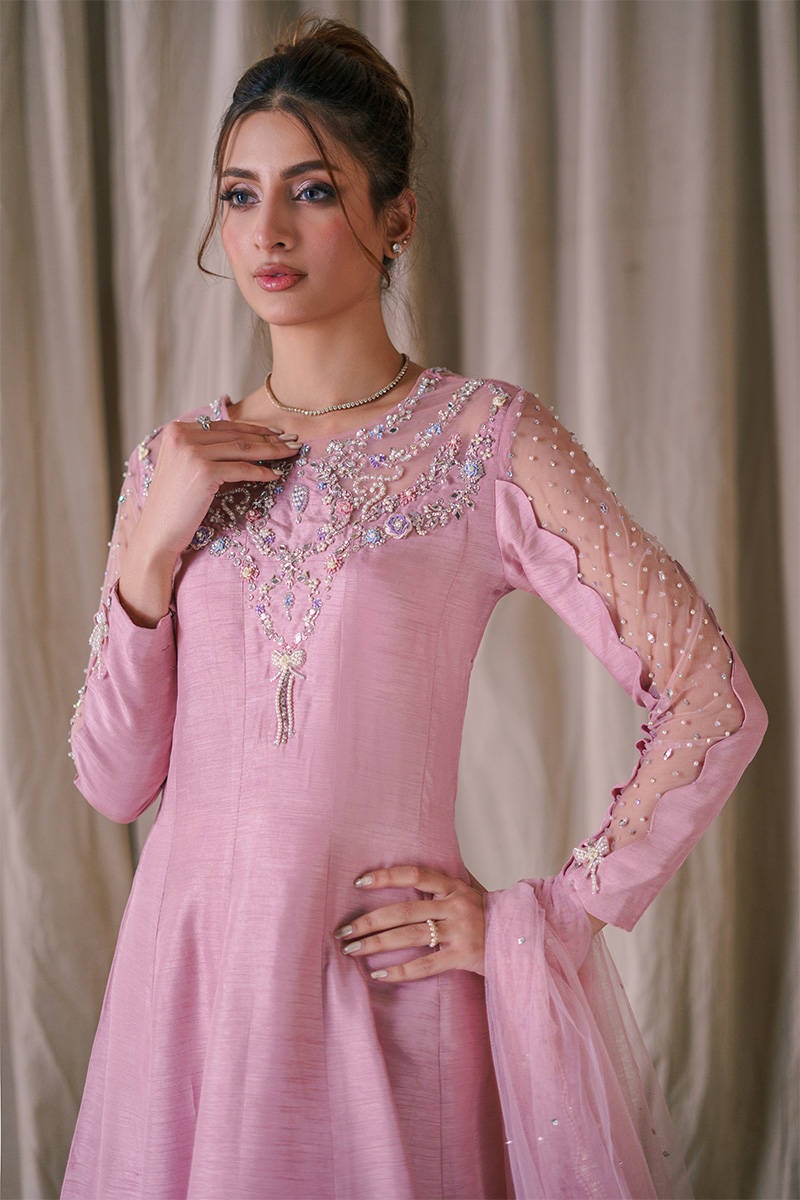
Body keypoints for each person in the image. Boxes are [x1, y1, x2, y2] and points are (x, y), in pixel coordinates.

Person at [62, 16, 767, 1200]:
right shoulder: (172, 465)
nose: (266, 232)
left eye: (311, 191)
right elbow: (112, 780)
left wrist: (553, 915)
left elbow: (711, 695)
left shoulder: (483, 441)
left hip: (377, 995)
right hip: (186, 1008)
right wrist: (151, 548)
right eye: (238, 195)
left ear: (396, 216)